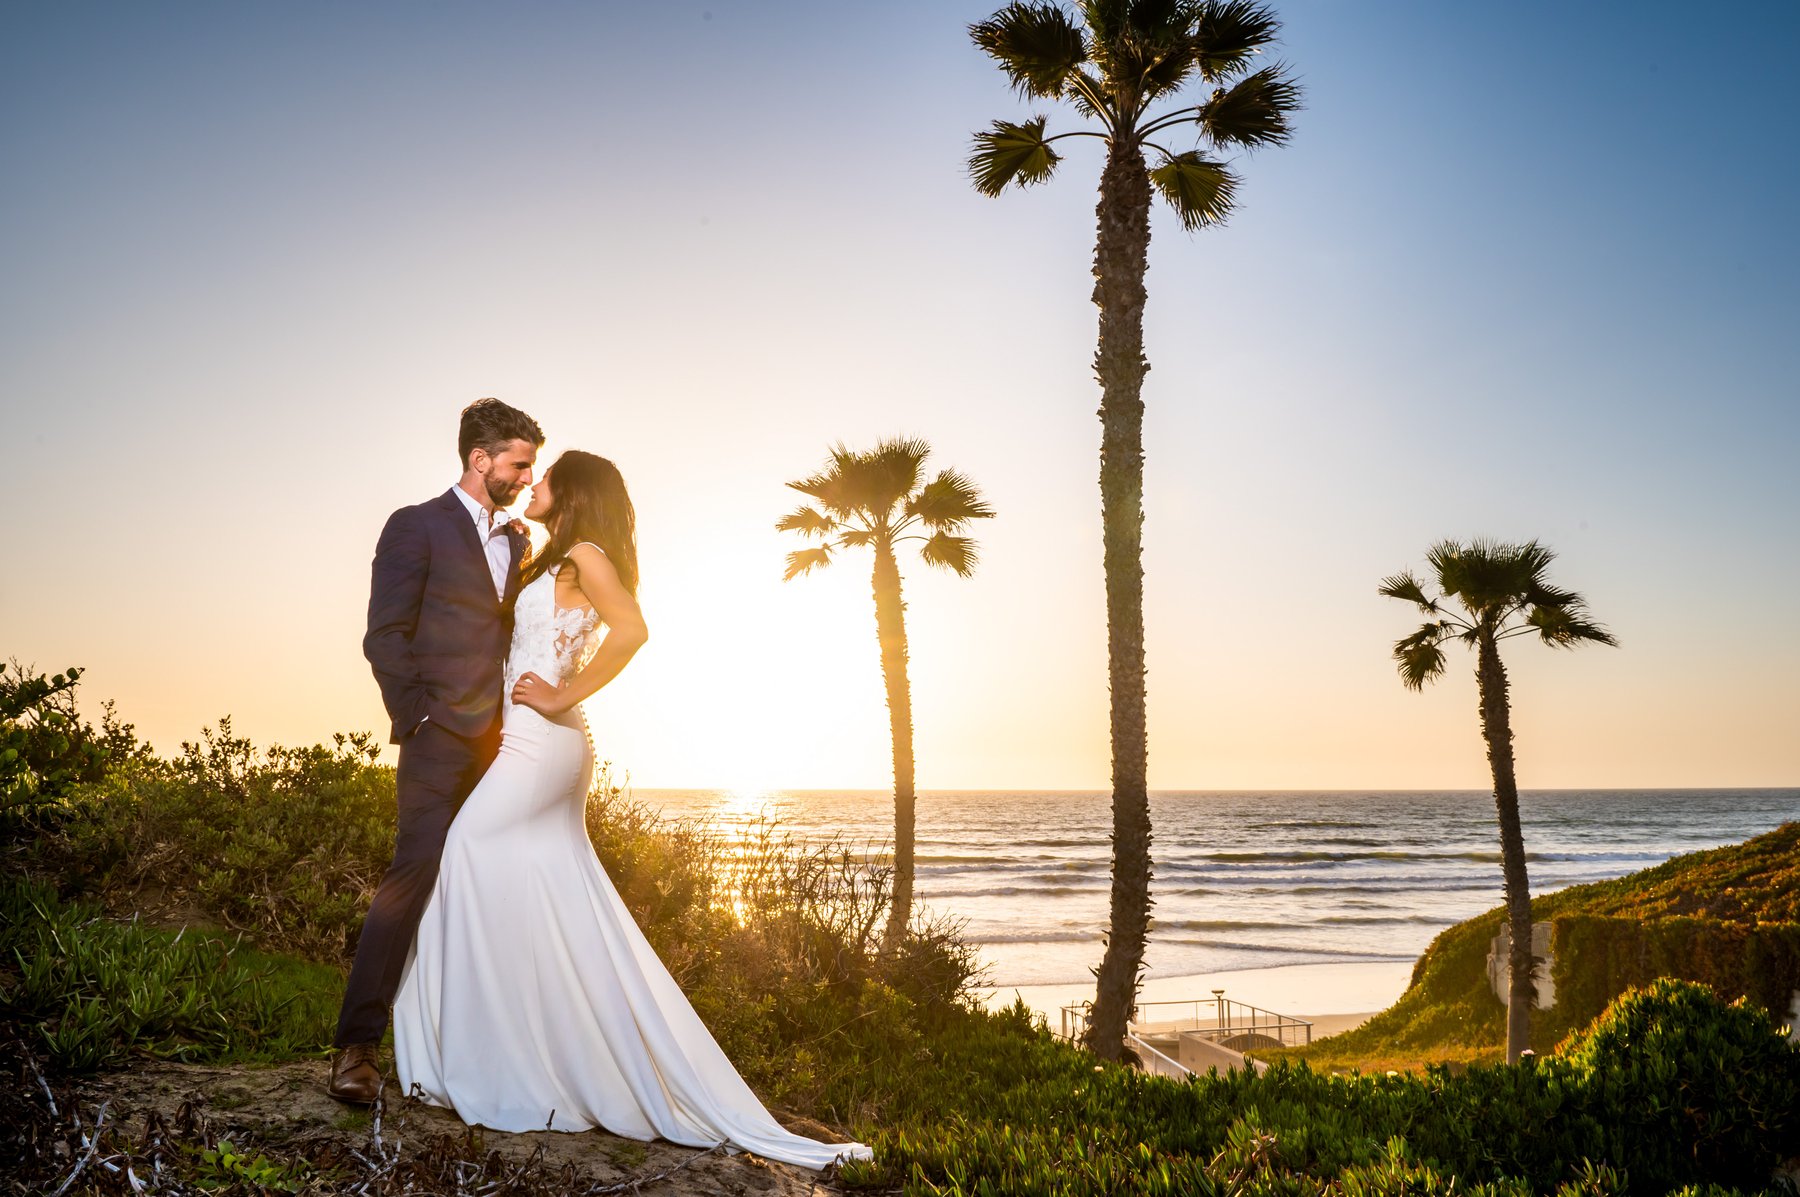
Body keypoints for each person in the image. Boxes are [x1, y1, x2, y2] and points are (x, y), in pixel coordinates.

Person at [391, 450, 870, 1171]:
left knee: (465, 852)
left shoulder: (585, 552)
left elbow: (633, 629)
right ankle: (529, 1045)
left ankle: (495, 1055)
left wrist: (556, 693)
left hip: (542, 741)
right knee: (545, 891)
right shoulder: (558, 554)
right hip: (534, 743)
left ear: (576, 493)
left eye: (547, 475)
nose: (536, 483)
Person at [330, 397, 542, 1103]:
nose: (527, 473)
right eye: (520, 462)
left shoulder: (518, 543)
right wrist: (417, 717)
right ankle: (355, 1048)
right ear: (480, 460)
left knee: (493, 884)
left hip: (503, 749)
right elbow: (383, 634)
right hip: (436, 742)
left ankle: (477, 1050)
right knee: (411, 878)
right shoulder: (415, 525)